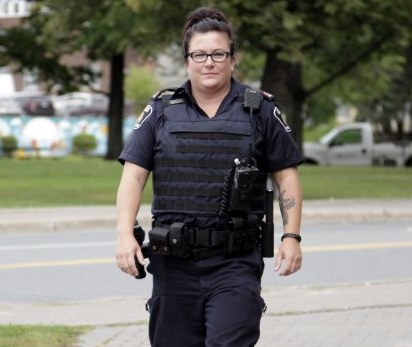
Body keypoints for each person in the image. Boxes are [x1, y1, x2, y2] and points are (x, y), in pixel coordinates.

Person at [114, 7, 304, 346]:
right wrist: (123, 234)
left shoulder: (260, 110)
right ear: (187, 60)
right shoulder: (161, 110)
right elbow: (133, 176)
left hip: (234, 262)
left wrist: (292, 236)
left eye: (218, 53)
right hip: (173, 264)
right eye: (199, 54)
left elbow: (285, 176)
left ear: (233, 59)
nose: (209, 62)